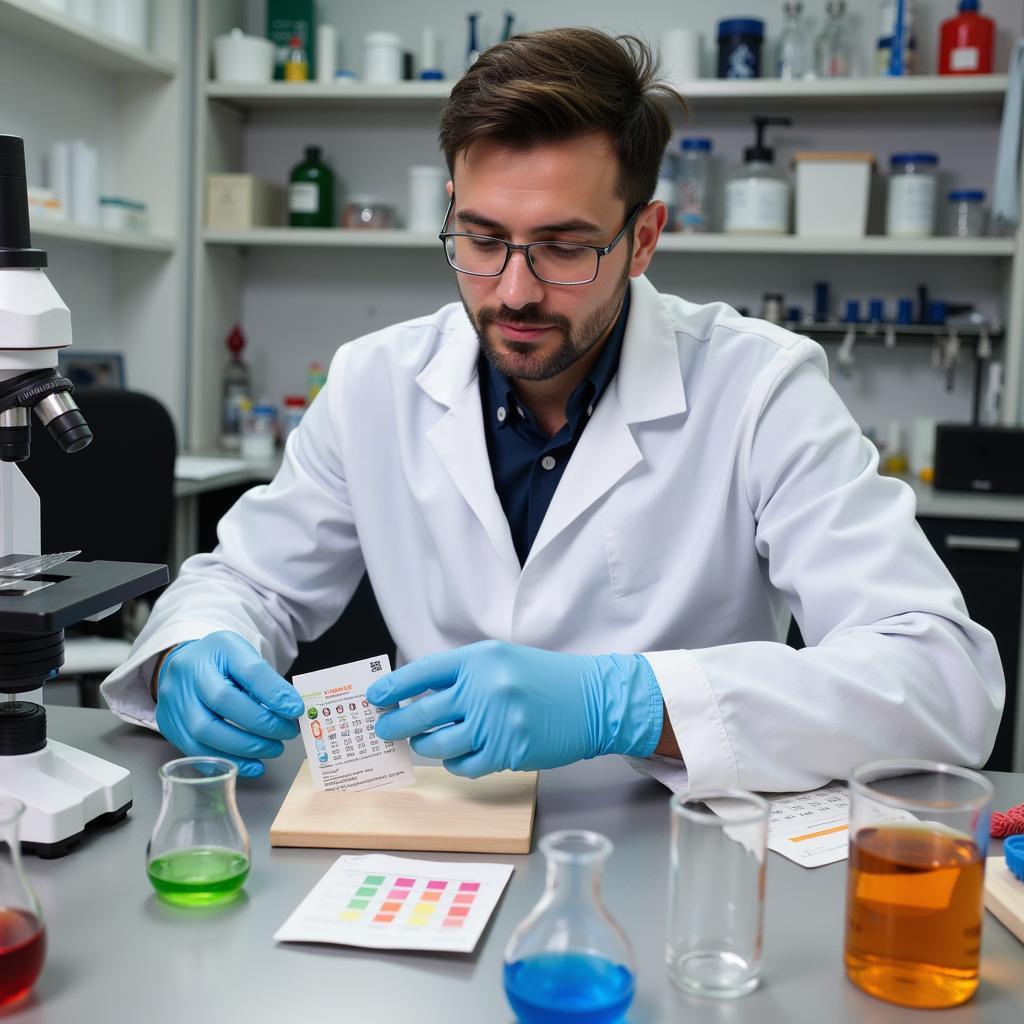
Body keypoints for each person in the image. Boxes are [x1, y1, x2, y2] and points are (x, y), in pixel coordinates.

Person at [102, 27, 1003, 792]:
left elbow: (941, 677)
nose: (515, 290)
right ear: (451, 209)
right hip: (439, 831)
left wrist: (630, 703)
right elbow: (248, 582)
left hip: (679, 842)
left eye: (566, 247)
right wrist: (195, 647)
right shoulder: (375, 379)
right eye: (483, 240)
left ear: (642, 238)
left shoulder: (759, 388)